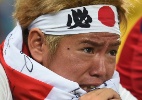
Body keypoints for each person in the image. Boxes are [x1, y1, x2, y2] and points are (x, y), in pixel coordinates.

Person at [0, 0, 136, 99]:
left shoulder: (108, 86)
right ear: (39, 44)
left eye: (112, 52)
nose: (101, 71)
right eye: (88, 50)